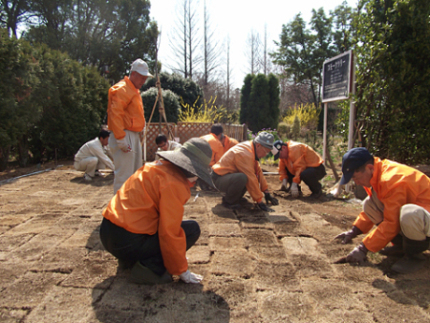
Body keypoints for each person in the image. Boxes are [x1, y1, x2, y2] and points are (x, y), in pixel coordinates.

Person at [100, 138, 214, 285]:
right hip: (128, 241)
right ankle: (149, 268)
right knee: (191, 230)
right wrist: (181, 270)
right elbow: (169, 232)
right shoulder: (174, 183)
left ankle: (129, 260)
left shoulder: (153, 167)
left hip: (107, 232)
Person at [334, 147, 430, 274]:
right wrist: (354, 230)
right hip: (422, 219)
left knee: (409, 214)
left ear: (369, 168)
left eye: (357, 178)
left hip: (425, 217)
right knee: (369, 204)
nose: (356, 183)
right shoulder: (378, 175)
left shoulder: (392, 180)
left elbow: (392, 222)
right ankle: (402, 247)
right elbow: (380, 210)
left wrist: (364, 248)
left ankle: (414, 256)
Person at [107, 58, 152, 194]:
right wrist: (121, 138)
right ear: (133, 74)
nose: (143, 81)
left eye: (145, 78)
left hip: (131, 135)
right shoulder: (123, 89)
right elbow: (115, 114)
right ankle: (120, 212)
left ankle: (129, 209)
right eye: (141, 78)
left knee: (134, 175)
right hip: (125, 134)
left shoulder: (132, 90)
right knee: (124, 176)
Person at [211, 131, 279, 210]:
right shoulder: (245, 153)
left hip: (226, 176)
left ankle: (236, 198)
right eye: (266, 151)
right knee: (243, 177)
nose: (265, 155)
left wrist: (266, 192)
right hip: (218, 179)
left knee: (245, 177)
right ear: (258, 145)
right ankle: (229, 201)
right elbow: (251, 178)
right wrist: (259, 201)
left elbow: (258, 171)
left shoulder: (251, 149)